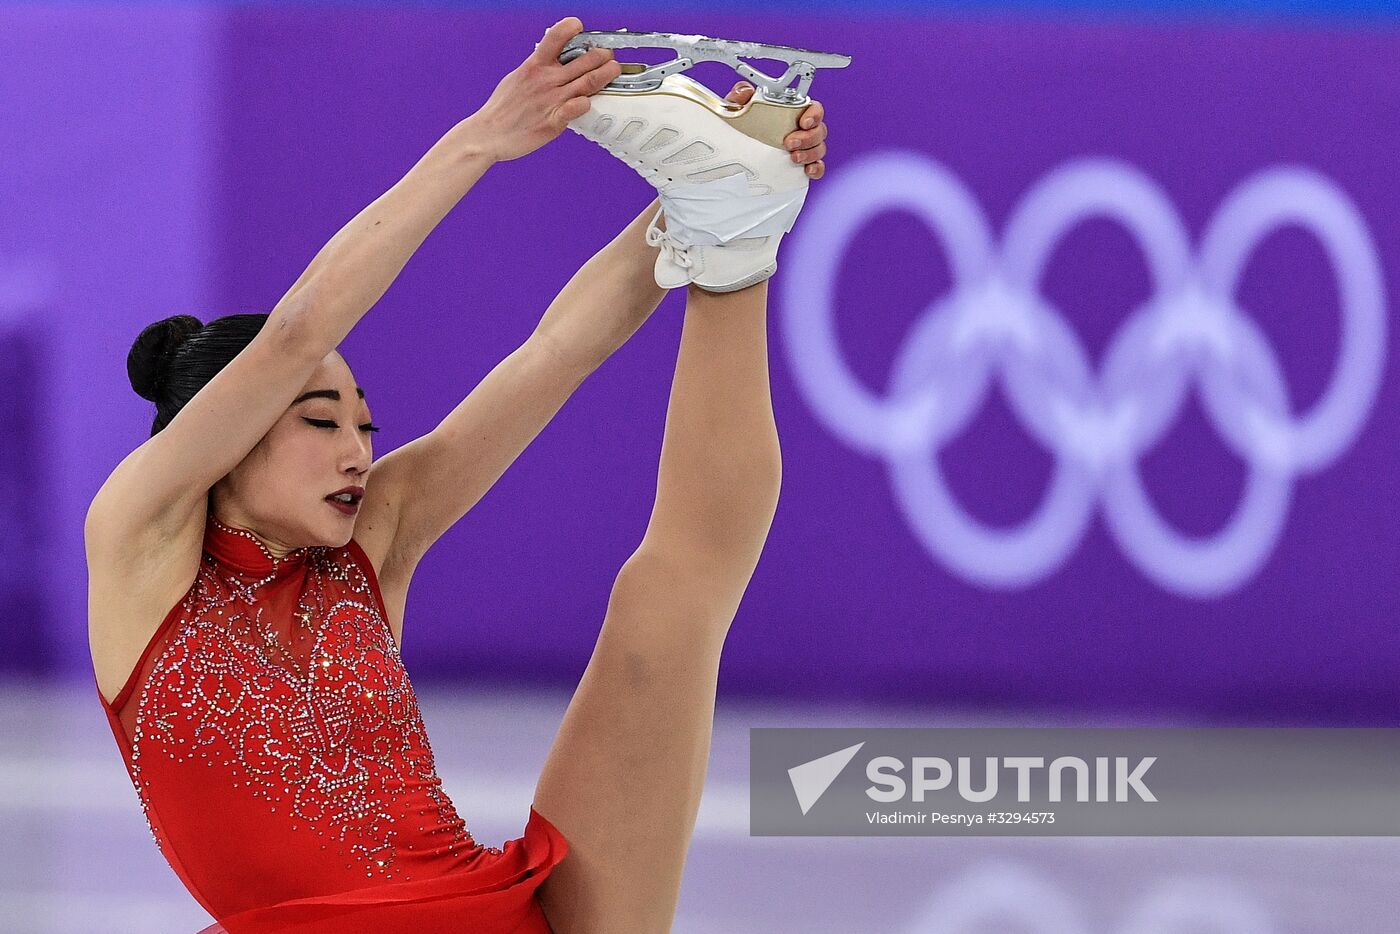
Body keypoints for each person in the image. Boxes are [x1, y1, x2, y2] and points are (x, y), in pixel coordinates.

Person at [86, 16, 829, 933]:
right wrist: (483, 137)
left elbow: (555, 350)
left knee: (671, 600)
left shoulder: (372, 540)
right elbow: (297, 333)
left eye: (365, 422)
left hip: (496, 910)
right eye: (321, 422)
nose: (359, 450)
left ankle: (737, 246)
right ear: (224, 439)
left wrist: (712, 189)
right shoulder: (138, 540)